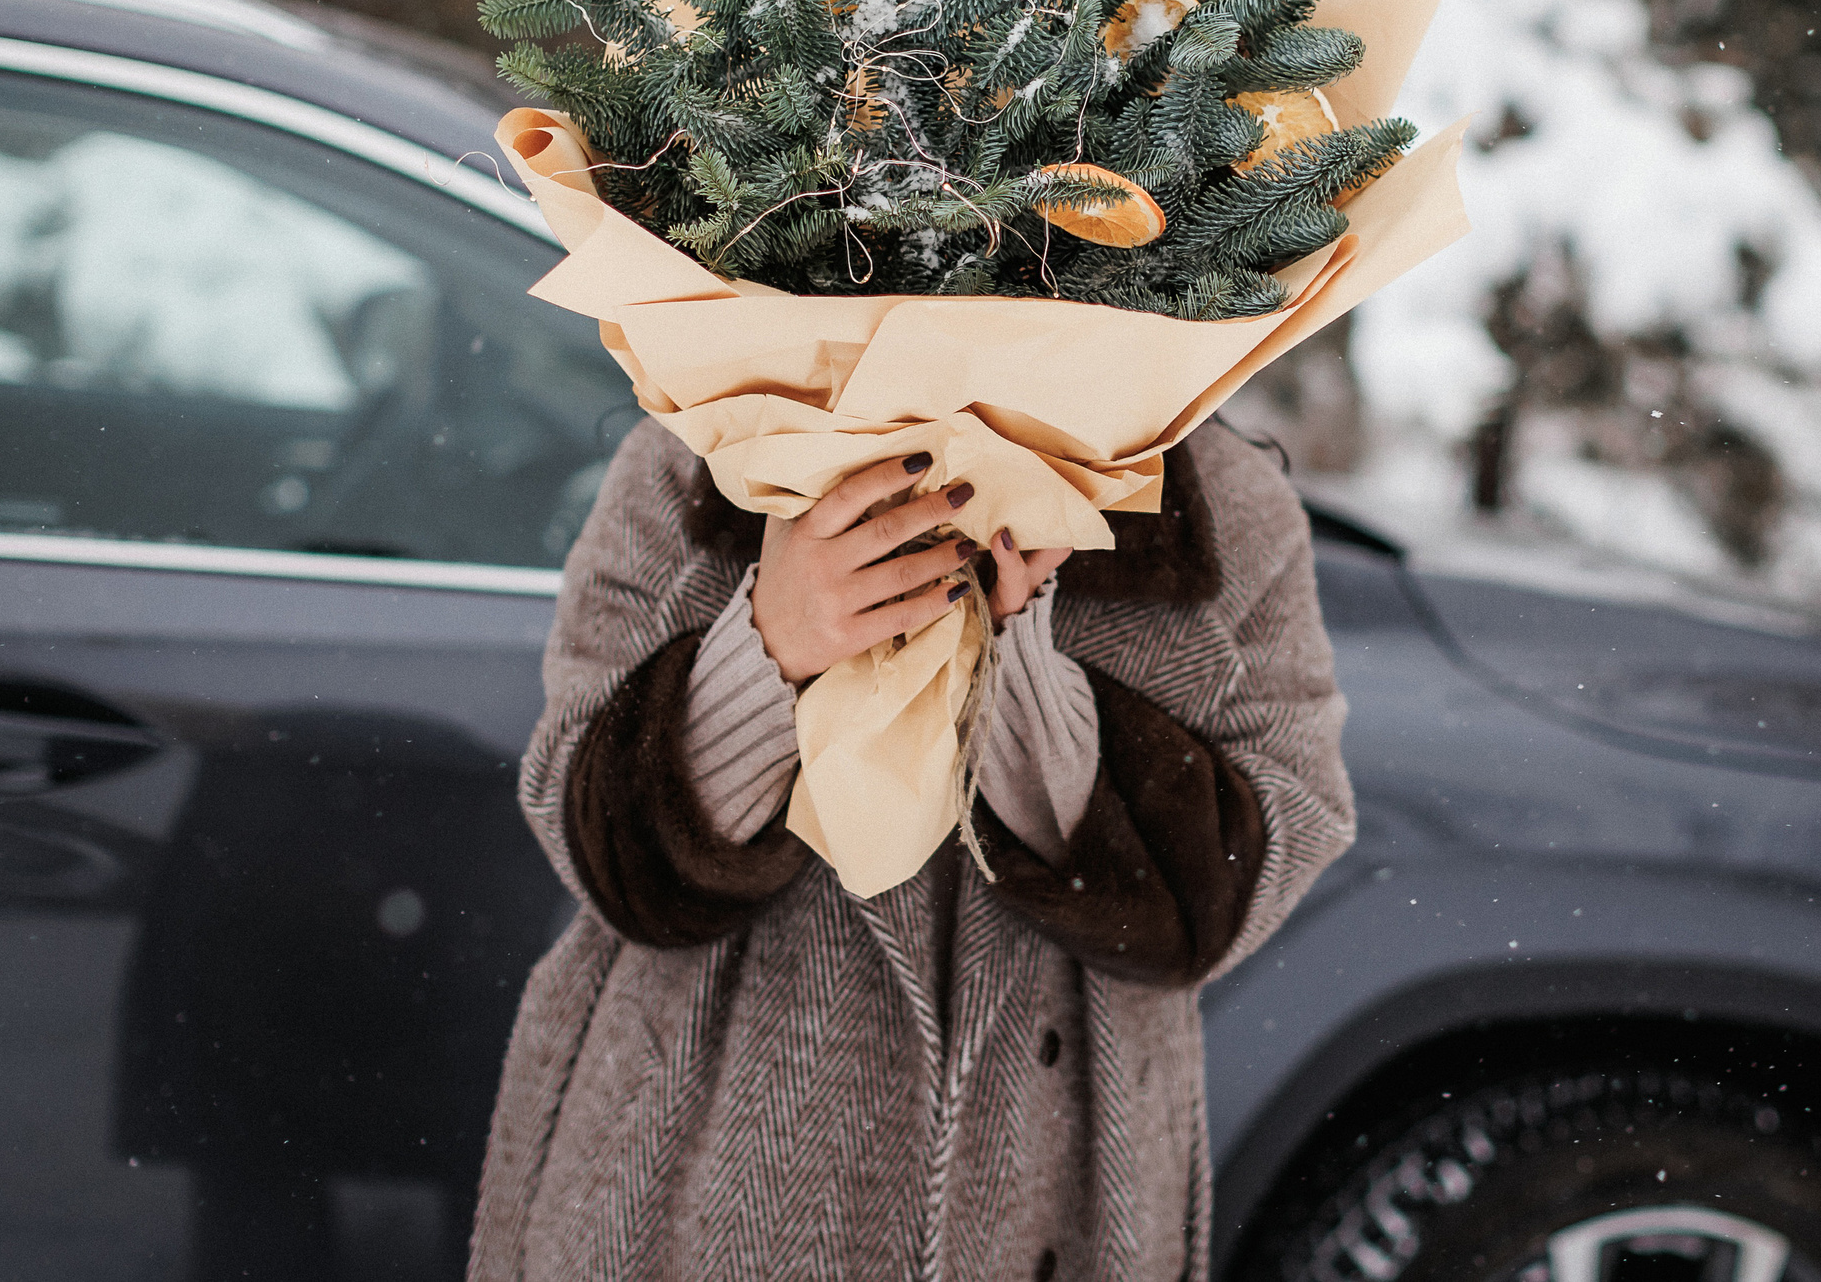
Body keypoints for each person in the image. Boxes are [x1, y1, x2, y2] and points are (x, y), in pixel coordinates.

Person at [468, 415, 1353, 1282]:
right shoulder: (705, 445)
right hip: (690, 1179)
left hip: (1059, 1189)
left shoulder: (1228, 507)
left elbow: (1246, 871)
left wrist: (1021, 692)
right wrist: (771, 645)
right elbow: (590, 826)